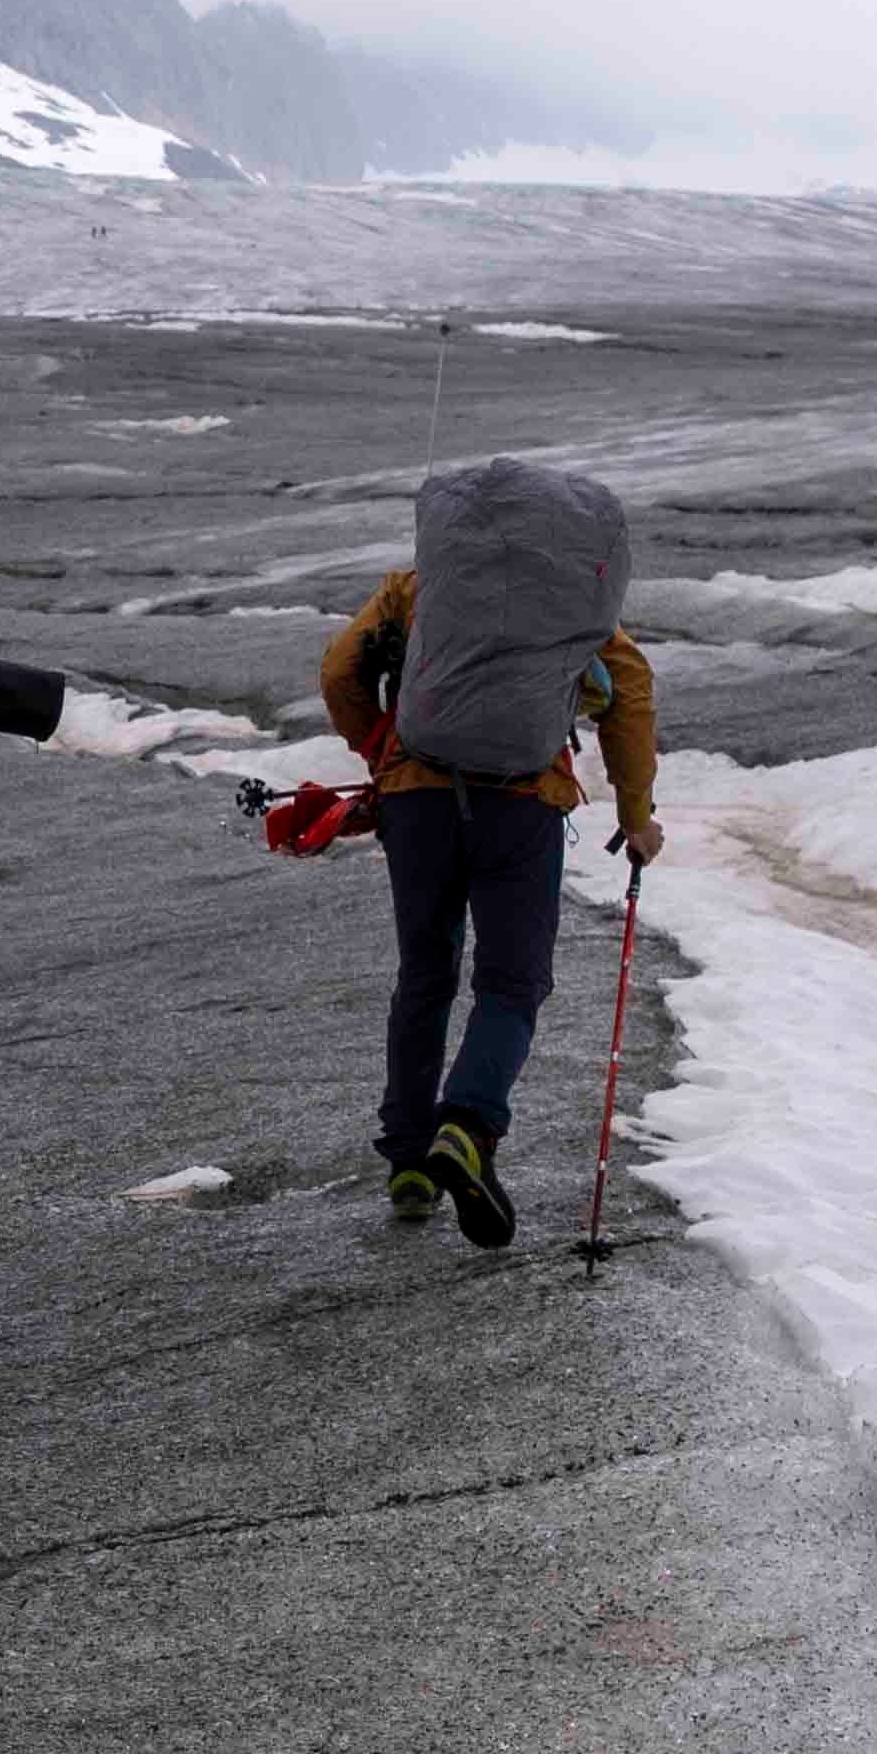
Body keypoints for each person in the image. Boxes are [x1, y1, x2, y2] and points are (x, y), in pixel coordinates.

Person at [313, 480, 656, 1251]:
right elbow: (628, 696)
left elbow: (339, 671)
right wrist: (635, 817)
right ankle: (467, 1124)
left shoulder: (417, 587)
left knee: (424, 974)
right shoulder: (573, 600)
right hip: (522, 804)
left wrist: (378, 752)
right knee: (510, 982)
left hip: (416, 797)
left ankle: (408, 1162)